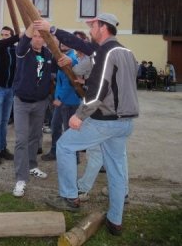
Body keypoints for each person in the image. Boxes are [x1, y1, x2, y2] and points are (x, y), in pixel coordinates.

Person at [34, 13, 139, 236]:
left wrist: (80, 115)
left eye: (93, 25)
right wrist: (87, 79)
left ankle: (71, 197)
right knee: (117, 170)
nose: (90, 28)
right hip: (125, 122)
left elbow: (101, 89)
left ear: (103, 27)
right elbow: (116, 83)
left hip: (105, 120)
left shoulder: (105, 52)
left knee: (64, 146)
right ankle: (115, 220)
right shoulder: (127, 53)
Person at [12, 23, 53, 198]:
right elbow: (22, 43)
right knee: (21, 139)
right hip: (22, 102)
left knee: (35, 138)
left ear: (45, 39)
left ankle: (32, 165)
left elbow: (58, 69)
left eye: (41, 36)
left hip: (40, 102)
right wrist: (31, 26)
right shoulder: (24, 51)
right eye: (35, 36)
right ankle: (21, 178)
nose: (38, 39)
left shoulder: (49, 54)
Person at [41, 42, 80, 161]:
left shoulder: (70, 59)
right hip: (63, 100)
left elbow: (70, 82)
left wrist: (59, 98)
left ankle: (73, 156)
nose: (63, 44)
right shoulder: (63, 57)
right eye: (62, 42)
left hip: (68, 101)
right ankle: (56, 151)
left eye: (67, 42)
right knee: (55, 126)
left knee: (69, 130)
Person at [0, 26, 19, 165]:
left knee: (5, 121)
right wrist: (19, 36)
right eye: (3, 34)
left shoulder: (15, 50)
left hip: (10, 89)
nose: (4, 36)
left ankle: (3, 148)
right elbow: (4, 43)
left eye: (7, 34)